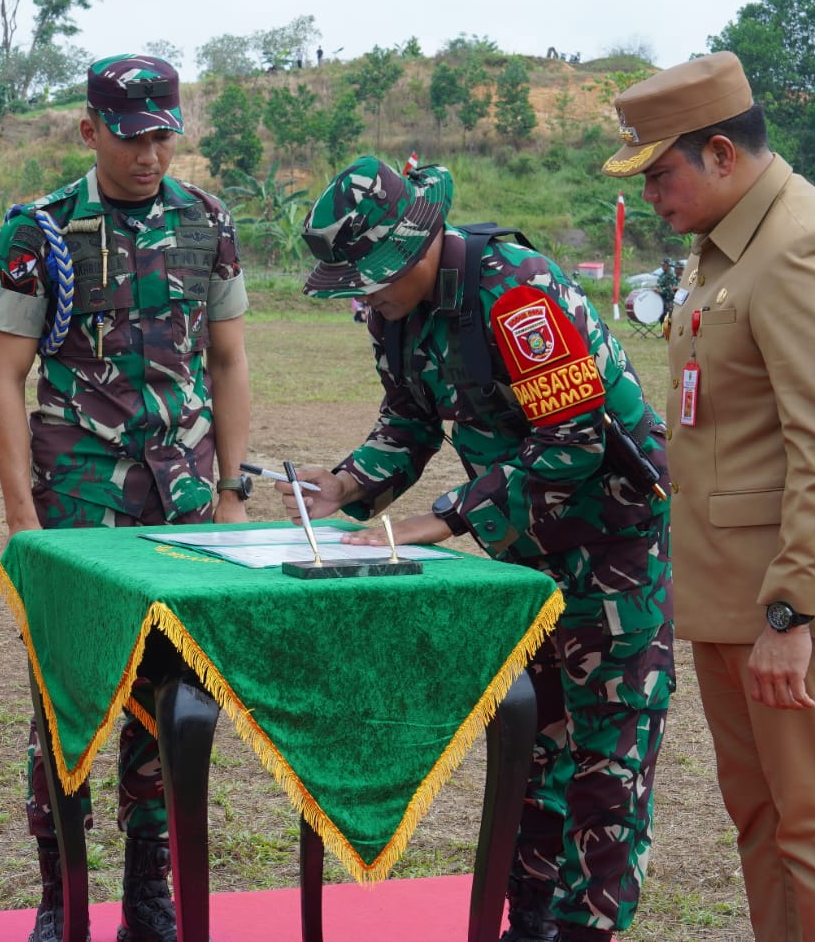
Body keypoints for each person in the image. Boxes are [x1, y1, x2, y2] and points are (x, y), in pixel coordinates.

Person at [279, 156, 673, 942]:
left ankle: (586, 929)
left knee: (609, 754)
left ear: (418, 244)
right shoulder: (396, 312)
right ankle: (530, 920)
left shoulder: (517, 292)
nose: (365, 296)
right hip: (524, 549)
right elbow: (409, 420)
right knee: (535, 746)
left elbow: (574, 440)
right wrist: (347, 483)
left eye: (371, 277)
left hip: (611, 543)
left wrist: (443, 521)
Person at [604, 51, 815, 942]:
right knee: (765, 818)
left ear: (722, 154)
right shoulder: (730, 246)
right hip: (736, 594)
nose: (652, 195)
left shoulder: (807, 248)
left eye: (661, 173)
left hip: (790, 601)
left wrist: (791, 614)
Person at [0, 53, 252, 942]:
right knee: (64, 699)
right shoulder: (40, 232)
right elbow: (3, 377)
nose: (151, 155)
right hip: (78, 502)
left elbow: (228, 361)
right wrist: (23, 522)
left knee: (171, 698)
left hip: (182, 502)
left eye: (164, 135)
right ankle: (60, 895)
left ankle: (147, 891)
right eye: (133, 137)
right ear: (89, 129)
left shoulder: (206, 220)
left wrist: (231, 491)